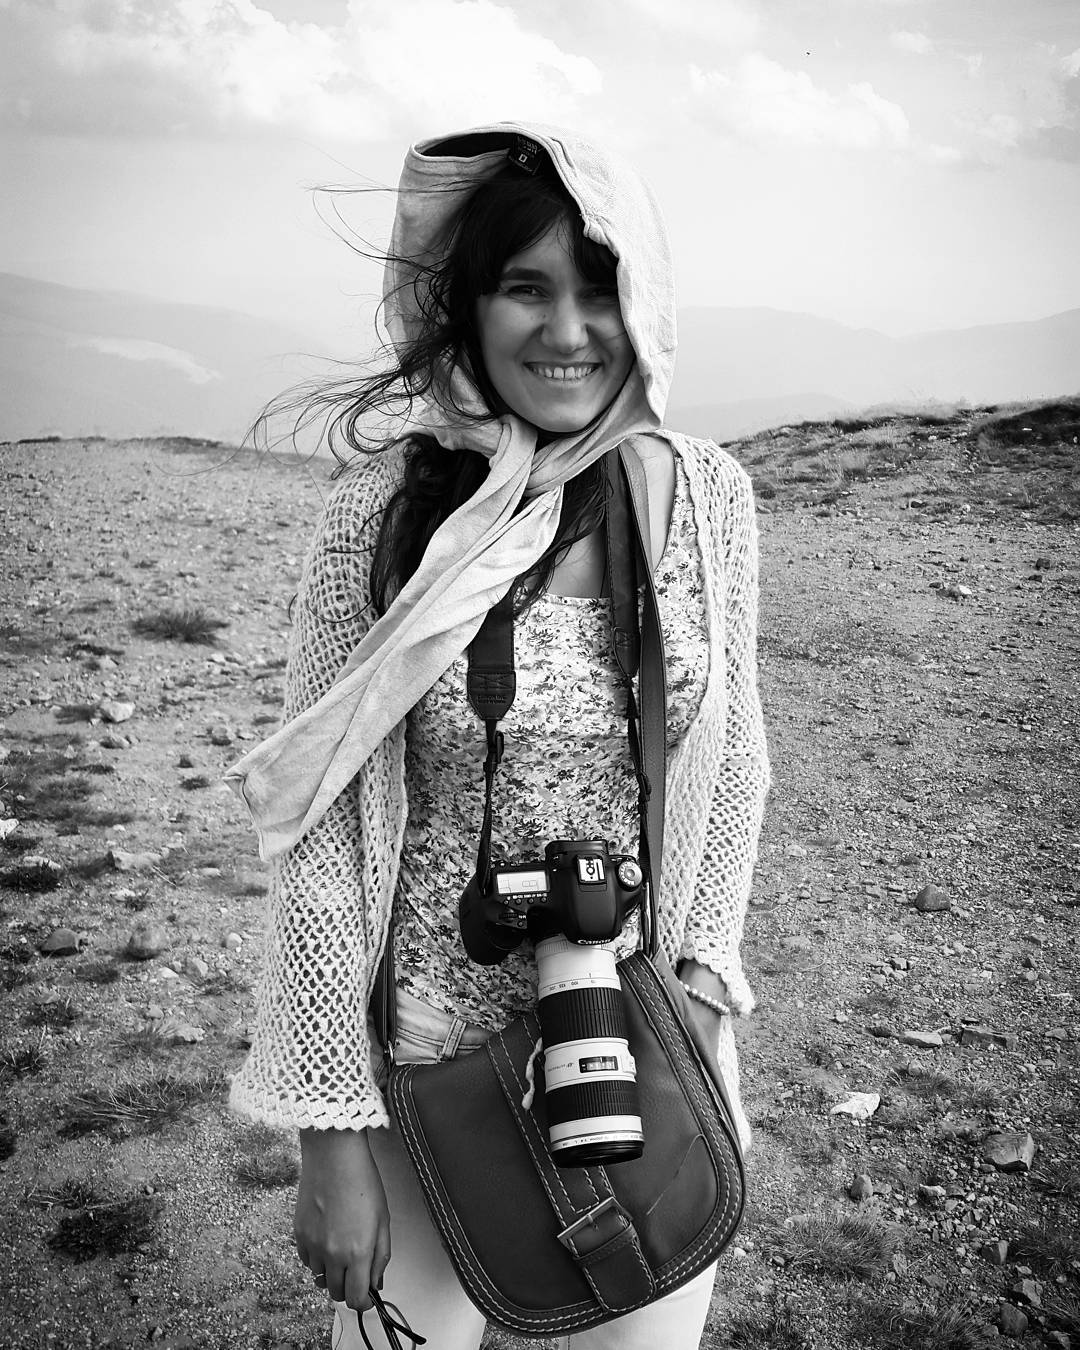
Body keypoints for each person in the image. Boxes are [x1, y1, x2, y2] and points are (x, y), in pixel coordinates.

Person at [227, 123, 770, 1350]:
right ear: (462, 307)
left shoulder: (702, 499)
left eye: (601, 289)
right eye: (527, 287)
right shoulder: (383, 515)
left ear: (645, 305)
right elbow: (322, 837)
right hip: (427, 1063)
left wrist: (701, 999)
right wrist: (332, 1136)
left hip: (637, 1047)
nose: (569, 330)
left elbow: (733, 757)